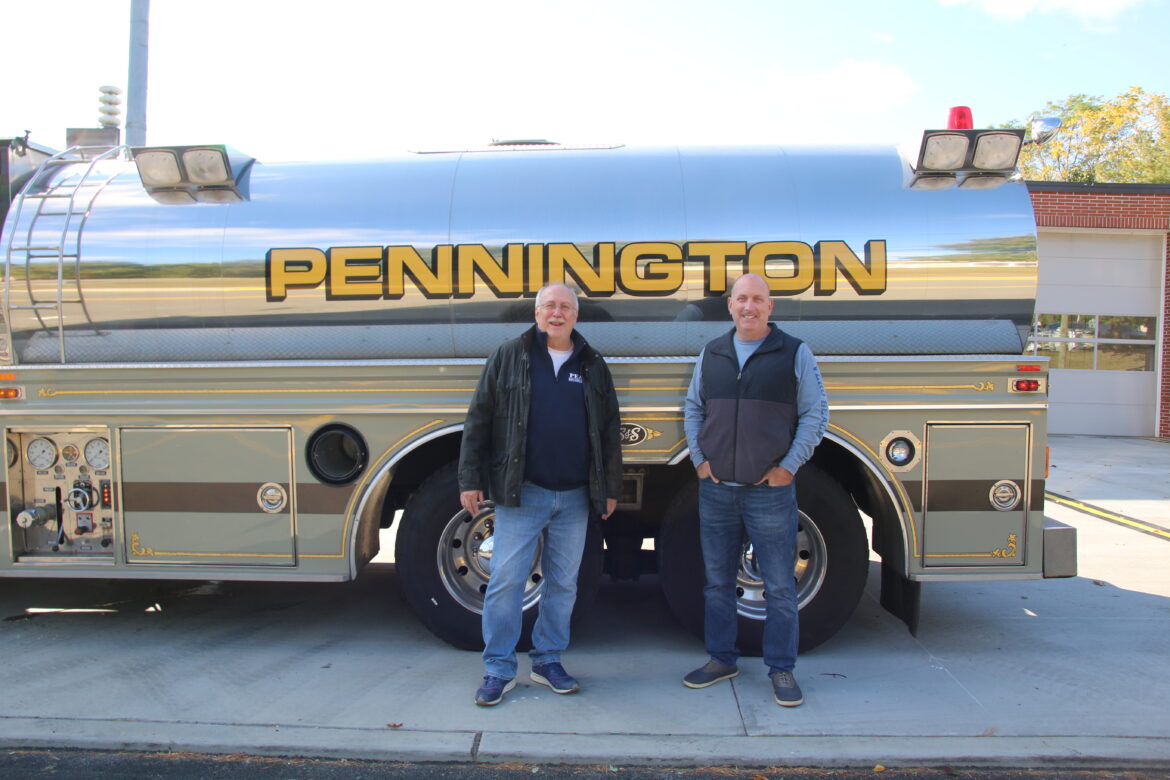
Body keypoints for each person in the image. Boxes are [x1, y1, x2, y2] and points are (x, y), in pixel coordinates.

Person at [458, 282, 622, 707]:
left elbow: (608, 430)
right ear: (536, 313)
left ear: (575, 316)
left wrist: (609, 488)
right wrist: (469, 478)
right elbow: (479, 417)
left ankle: (548, 660)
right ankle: (498, 669)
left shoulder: (592, 363)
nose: (557, 313)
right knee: (506, 583)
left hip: (575, 497)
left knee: (563, 584)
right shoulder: (510, 356)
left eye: (565, 307)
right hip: (523, 492)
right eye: (549, 305)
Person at [681, 273, 829, 707]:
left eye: (757, 299)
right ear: (729, 305)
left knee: (780, 586)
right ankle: (721, 658)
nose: (749, 307)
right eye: (741, 299)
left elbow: (815, 414)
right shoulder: (713, 352)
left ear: (771, 307)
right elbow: (693, 407)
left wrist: (788, 467)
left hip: (770, 493)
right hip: (718, 490)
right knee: (717, 583)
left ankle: (781, 669)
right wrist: (700, 460)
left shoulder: (794, 352)